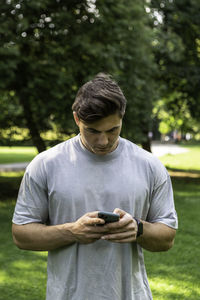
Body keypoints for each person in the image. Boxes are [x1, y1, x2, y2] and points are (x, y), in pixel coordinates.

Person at [12, 73, 178, 300]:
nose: (103, 141)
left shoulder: (149, 165)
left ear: (122, 118)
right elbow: (21, 235)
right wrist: (73, 231)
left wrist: (138, 228)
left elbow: (167, 238)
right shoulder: (46, 164)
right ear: (76, 119)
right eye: (93, 130)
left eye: (112, 130)